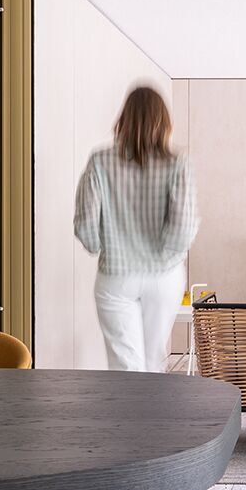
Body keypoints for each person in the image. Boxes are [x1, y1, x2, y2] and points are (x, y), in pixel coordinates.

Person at [73, 85, 199, 372]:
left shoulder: (100, 161)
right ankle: (153, 417)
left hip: (116, 276)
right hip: (164, 276)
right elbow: (185, 225)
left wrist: (99, 246)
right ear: (164, 122)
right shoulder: (177, 163)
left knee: (125, 363)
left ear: (124, 118)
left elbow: (85, 221)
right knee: (154, 358)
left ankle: (129, 417)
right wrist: (163, 254)